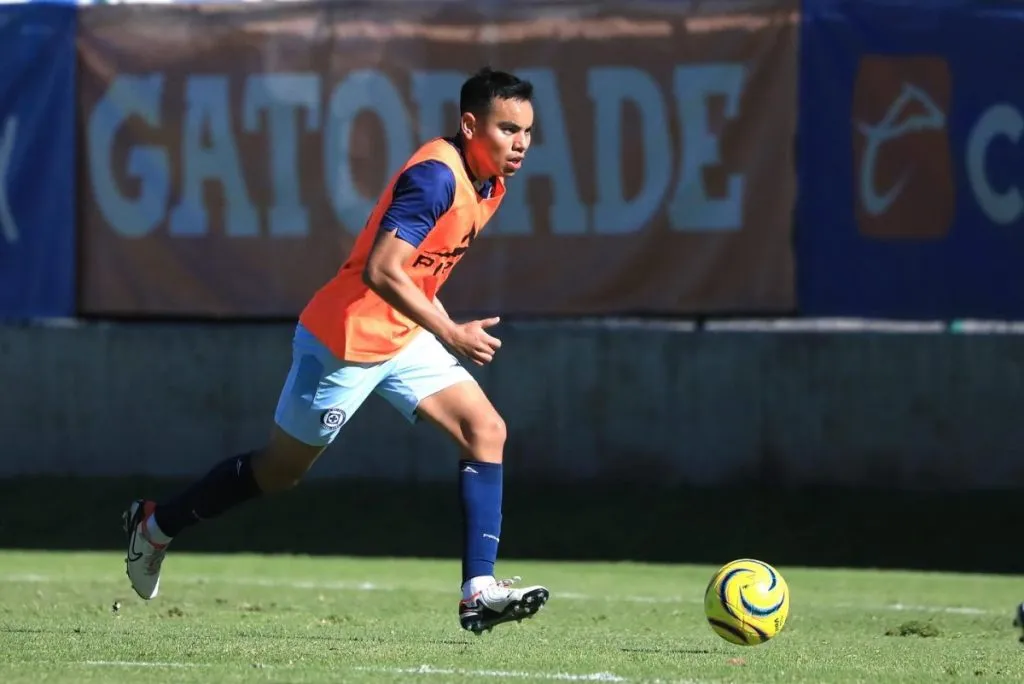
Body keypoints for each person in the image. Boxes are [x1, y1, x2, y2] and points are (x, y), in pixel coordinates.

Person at [123, 67, 548, 634]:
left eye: (527, 131)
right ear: (470, 124)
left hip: (404, 332)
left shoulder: (490, 180)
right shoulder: (435, 178)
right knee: (281, 472)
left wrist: (438, 322)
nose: (519, 142)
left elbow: (421, 274)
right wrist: (451, 333)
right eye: (507, 128)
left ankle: (477, 590)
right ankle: (155, 526)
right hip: (344, 341)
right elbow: (381, 270)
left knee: (486, 431)